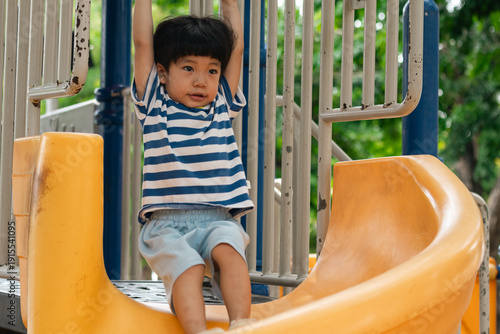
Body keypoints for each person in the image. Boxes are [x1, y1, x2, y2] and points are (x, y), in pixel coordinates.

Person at [132, 1, 254, 333]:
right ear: (162, 72)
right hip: (166, 224)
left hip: (217, 216)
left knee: (230, 253)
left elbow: (237, 49)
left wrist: (230, 5)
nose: (201, 81)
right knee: (187, 267)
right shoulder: (154, 103)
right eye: (188, 68)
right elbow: (143, 43)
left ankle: (243, 324)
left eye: (211, 70)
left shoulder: (221, 103)